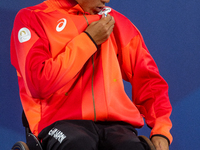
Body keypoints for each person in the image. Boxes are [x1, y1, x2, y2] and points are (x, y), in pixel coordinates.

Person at [10, 0, 173, 150]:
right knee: (79, 144)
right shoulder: (33, 18)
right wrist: (89, 40)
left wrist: (161, 130)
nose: (107, 0)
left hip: (117, 127)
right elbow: (38, 83)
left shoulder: (118, 23)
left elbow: (149, 82)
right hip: (58, 124)